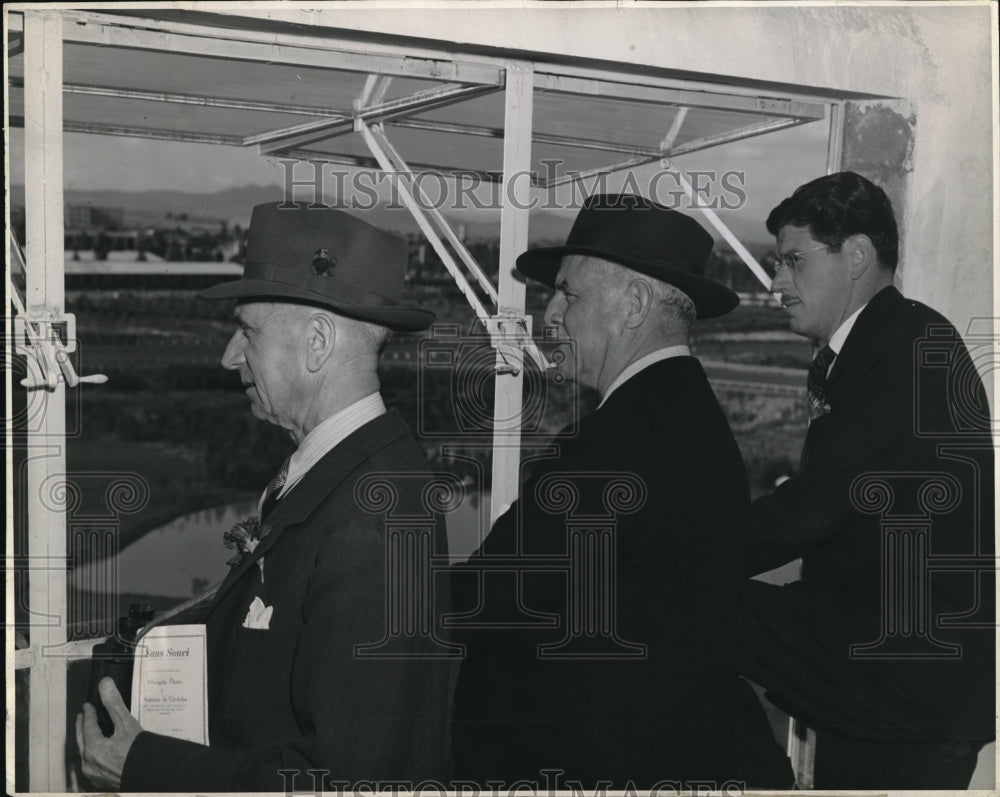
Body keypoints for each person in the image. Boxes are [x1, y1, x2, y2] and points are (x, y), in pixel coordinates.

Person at [77, 203, 453, 791]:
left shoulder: (372, 522)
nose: (229, 355)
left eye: (247, 330)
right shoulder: (341, 478)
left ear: (318, 343)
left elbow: (346, 779)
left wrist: (144, 766)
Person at [451, 194, 794, 789]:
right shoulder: (694, 417)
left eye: (568, 293)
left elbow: (480, 602)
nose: (549, 314)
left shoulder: (612, 448)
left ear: (634, 305)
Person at [738, 171, 995, 788]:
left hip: (906, 684)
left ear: (856, 255)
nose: (777, 284)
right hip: (881, 663)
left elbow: (815, 509)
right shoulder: (883, 342)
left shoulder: (907, 352)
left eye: (793, 261)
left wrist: (682, 546)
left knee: (683, 597)